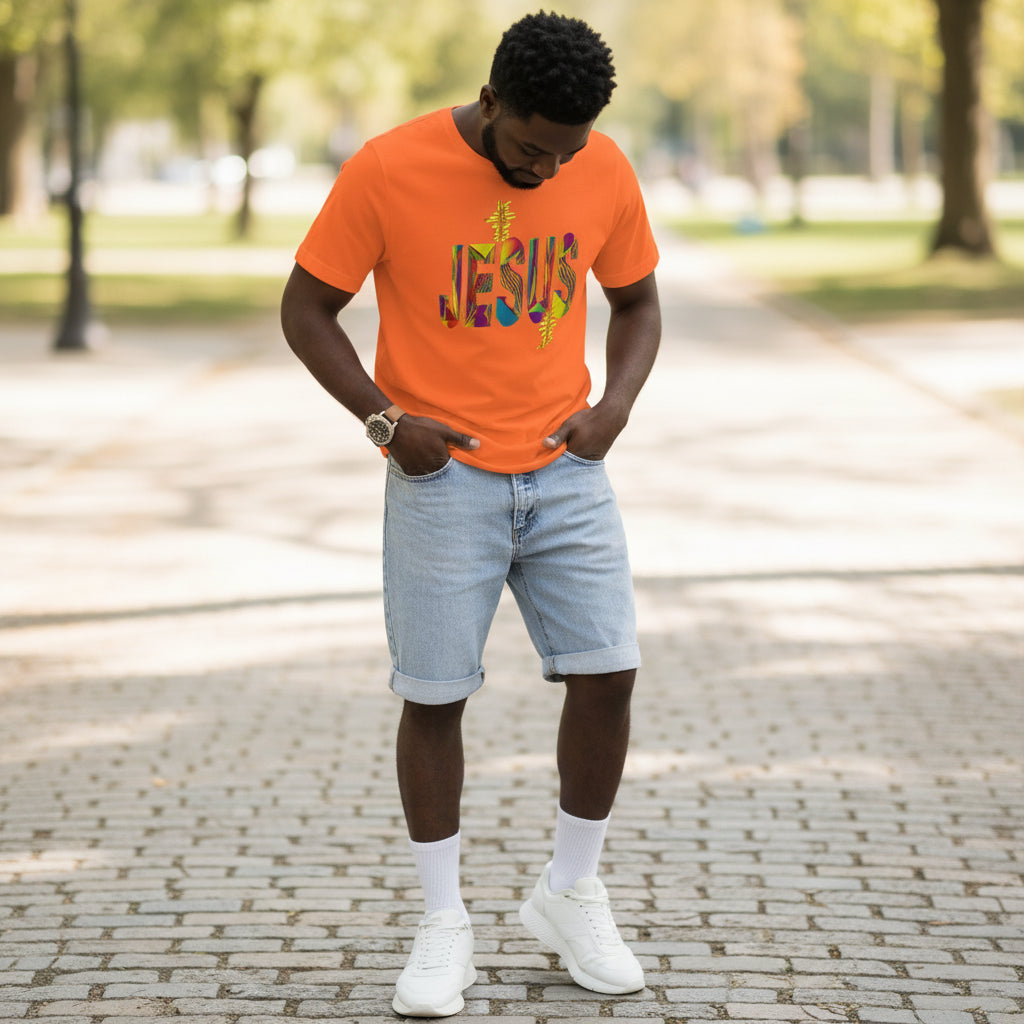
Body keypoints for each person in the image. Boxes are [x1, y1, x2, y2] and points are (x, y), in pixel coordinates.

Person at [281, 11, 661, 1018]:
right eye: (532, 148)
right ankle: (443, 920)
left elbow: (636, 300)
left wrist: (614, 408)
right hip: (440, 476)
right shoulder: (386, 168)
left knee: (610, 672)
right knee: (436, 695)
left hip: (565, 466)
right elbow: (305, 309)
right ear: (491, 102)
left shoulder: (600, 166)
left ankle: (569, 891)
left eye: (567, 151)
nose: (549, 169)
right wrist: (384, 421)